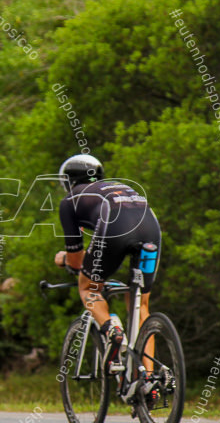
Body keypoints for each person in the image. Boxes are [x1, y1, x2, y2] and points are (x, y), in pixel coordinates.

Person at [53, 154, 161, 359]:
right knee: (140, 303)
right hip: (150, 228)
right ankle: (148, 379)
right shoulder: (118, 187)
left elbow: (76, 261)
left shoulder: (70, 200)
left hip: (114, 226)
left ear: (67, 181)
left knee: (88, 287)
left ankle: (112, 330)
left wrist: (64, 258)